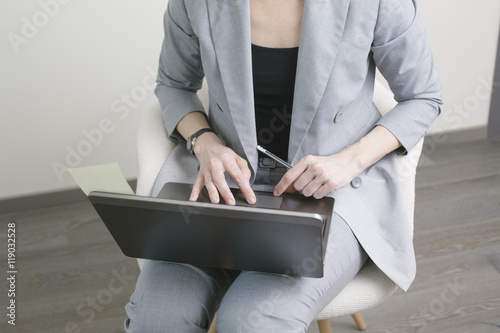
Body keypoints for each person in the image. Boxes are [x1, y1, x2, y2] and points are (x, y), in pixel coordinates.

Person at [124, 0, 442, 331]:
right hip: (224, 186)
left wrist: (347, 162)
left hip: (333, 194)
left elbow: (423, 97)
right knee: (156, 319)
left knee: (251, 321)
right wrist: (205, 142)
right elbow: (173, 84)